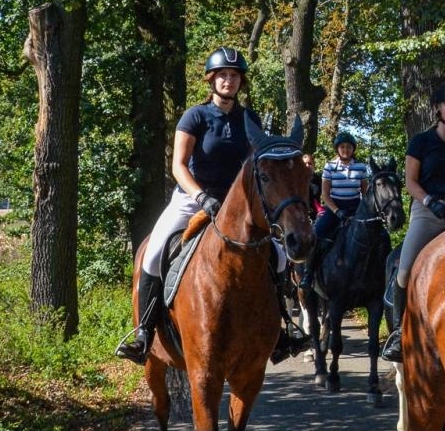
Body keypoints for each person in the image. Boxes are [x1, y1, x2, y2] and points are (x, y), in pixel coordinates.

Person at [116, 47, 265, 364]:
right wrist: (201, 196)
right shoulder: (195, 116)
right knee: (154, 253)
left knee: (277, 256)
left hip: (237, 205)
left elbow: (258, 162)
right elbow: (178, 166)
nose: (229, 80)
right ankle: (144, 333)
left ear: (241, 82)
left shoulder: (250, 119)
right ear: (212, 79)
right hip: (193, 199)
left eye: (234, 75)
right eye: (223, 75)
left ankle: (286, 330)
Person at [380, 80, 445, 362]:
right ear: (437, 108)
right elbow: (410, 182)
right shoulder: (421, 142)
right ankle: (399, 333)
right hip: (427, 210)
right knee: (404, 270)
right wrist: (429, 202)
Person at [301, 130, 372, 292]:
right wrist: (337, 211)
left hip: (355, 208)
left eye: (348, 147)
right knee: (317, 234)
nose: (345, 150)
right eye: (342, 147)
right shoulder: (330, 166)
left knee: (376, 235)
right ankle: (309, 273)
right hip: (334, 208)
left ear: (353, 149)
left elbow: (365, 193)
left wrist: (363, 212)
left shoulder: (361, 167)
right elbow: (325, 194)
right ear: (337, 149)